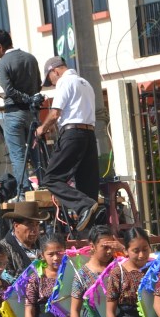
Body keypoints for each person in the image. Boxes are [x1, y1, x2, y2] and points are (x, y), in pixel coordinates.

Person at [36, 56, 101, 232]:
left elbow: (56, 113)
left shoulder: (65, 82)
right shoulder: (85, 83)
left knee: (51, 178)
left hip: (73, 134)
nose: (53, 83)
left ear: (54, 70)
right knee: (87, 185)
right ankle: (93, 233)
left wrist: (42, 128)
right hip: (89, 134)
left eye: (51, 79)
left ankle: (84, 205)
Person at [0, 29, 41, 195]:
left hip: (14, 113)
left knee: (17, 155)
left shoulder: (3, 63)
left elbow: (9, 90)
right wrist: (29, 98)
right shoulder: (30, 58)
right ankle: (44, 184)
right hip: (32, 114)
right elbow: (38, 84)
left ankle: (24, 189)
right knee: (36, 153)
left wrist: (23, 97)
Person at [0, 202, 47, 278]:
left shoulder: (44, 245)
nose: (35, 229)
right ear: (16, 226)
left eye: (37, 224)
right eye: (30, 224)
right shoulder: (3, 249)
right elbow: (7, 280)